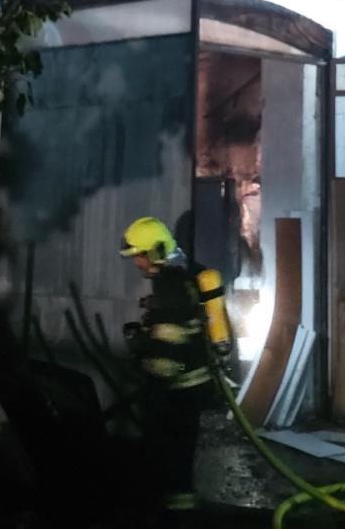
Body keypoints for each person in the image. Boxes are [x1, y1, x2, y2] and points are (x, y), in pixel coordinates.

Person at [119, 215, 232, 523]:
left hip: (177, 391)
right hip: (193, 385)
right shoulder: (185, 275)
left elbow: (168, 358)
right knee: (181, 460)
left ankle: (172, 517)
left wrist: (142, 353)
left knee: (169, 461)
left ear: (155, 251)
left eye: (140, 255)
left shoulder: (171, 286)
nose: (137, 262)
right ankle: (180, 511)